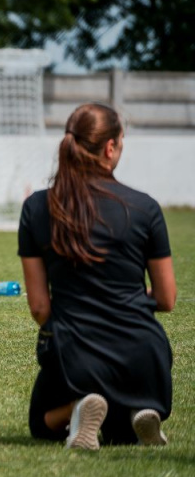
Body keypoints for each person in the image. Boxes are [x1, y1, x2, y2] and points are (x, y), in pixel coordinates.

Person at [19, 103, 176, 449]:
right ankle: (136, 412)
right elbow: (166, 299)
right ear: (110, 147)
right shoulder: (145, 207)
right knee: (119, 435)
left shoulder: (37, 208)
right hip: (143, 353)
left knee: (41, 422)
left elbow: (40, 308)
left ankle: (79, 407)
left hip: (76, 347)